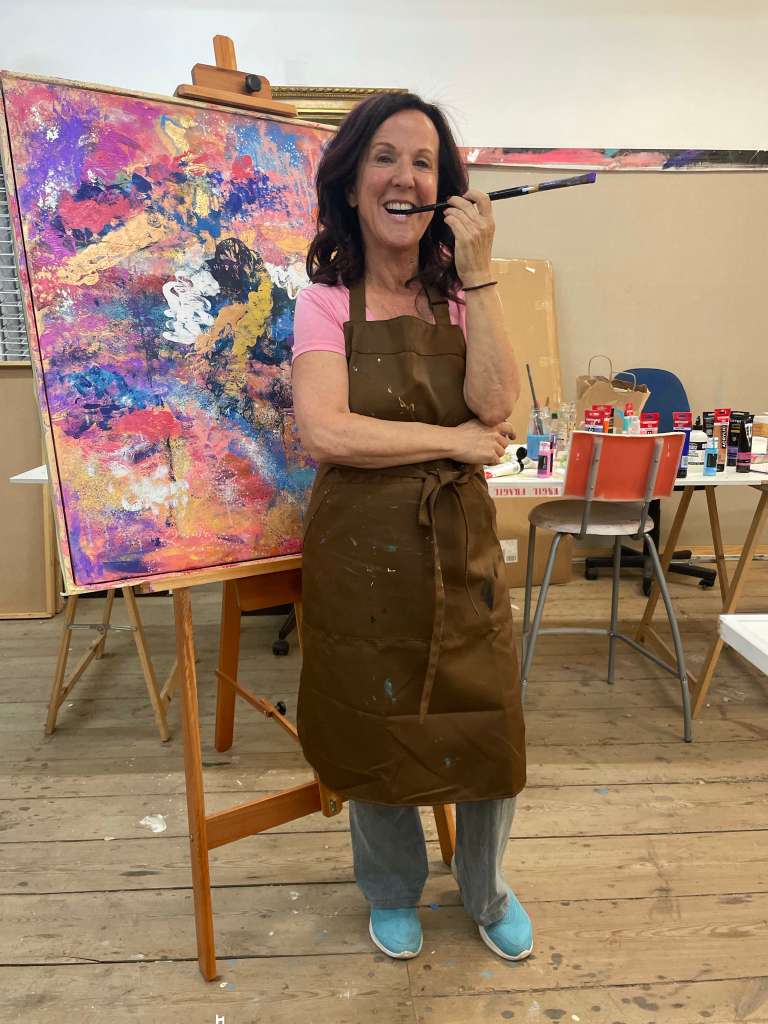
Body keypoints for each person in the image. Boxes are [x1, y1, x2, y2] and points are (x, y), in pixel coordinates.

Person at [291, 92, 531, 963]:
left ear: (446, 187)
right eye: (385, 157)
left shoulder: (463, 296)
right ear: (352, 181)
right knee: (374, 720)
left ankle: (485, 888)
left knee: (487, 721)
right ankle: (390, 889)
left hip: (458, 549)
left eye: (424, 162)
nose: (405, 177)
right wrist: (450, 442)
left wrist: (480, 273)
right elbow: (327, 431)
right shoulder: (324, 301)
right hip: (360, 558)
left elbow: (496, 407)